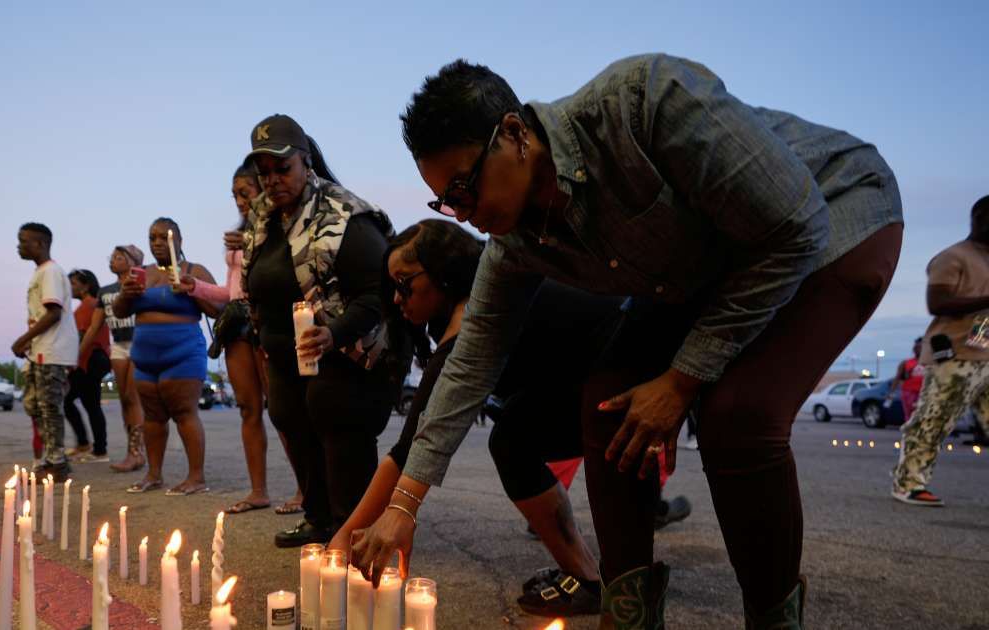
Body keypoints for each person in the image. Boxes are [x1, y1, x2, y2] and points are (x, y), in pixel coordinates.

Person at [352, 56, 903, 629]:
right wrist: (402, 509)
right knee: (609, 403)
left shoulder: (644, 105)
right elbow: (470, 364)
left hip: (832, 211)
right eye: (447, 202)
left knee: (738, 417)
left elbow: (795, 227)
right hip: (702, 268)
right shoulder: (515, 242)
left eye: (465, 188)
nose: (463, 216)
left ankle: (773, 620)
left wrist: (681, 379)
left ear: (514, 133)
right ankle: (629, 616)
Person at [331, 220, 618, 617]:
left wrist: (343, 539)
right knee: (513, 438)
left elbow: (409, 448)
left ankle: (605, 582)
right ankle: (586, 575)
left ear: (445, 273)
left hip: (619, 365)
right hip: (576, 374)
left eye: (404, 283)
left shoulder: (472, 320)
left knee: (514, 438)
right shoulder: (461, 315)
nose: (397, 298)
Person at [240, 114, 404, 547]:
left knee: (335, 418)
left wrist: (334, 333)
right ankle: (318, 518)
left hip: (348, 356)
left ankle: (354, 528)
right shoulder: (264, 216)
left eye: (283, 168)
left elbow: (378, 294)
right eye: (265, 172)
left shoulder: (344, 214)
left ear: (306, 161)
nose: (273, 180)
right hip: (287, 353)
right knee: (292, 419)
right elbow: (258, 280)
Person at [189, 161, 305, 515]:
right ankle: (259, 491)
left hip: (270, 318)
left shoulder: (284, 223)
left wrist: (254, 240)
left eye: (245, 192)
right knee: (248, 408)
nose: (239, 201)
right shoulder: (237, 235)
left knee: (283, 409)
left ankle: (306, 490)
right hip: (238, 320)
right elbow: (229, 291)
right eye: (235, 195)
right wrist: (193, 286)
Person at [111, 218, 221, 495]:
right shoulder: (141, 273)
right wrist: (125, 294)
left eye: (164, 237)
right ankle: (153, 474)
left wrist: (192, 288)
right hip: (145, 356)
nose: (158, 243)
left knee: (184, 413)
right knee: (152, 417)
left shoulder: (194, 270)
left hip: (182, 353)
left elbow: (219, 307)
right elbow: (121, 312)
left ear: (179, 240)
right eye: (153, 238)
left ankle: (196, 477)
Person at [893, 196, 989, 507]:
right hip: (954, 354)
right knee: (933, 419)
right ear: (979, 219)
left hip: (985, 350)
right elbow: (937, 303)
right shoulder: (953, 257)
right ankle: (908, 484)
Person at [12, 223, 78, 482]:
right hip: (40, 349)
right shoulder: (41, 272)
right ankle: (44, 461)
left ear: (40, 244)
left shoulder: (50, 271)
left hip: (52, 350)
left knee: (49, 407)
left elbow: (53, 312)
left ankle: (57, 463)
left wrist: (23, 338)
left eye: (23, 241)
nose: (19, 246)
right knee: (35, 406)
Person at [81, 245, 147, 472]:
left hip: (139, 342)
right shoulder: (105, 291)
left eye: (120, 257)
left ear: (133, 261)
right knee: (125, 399)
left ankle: (136, 453)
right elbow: (94, 327)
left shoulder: (140, 284)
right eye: (112, 257)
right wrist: (78, 354)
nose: (113, 260)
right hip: (118, 346)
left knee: (133, 396)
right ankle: (134, 450)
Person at [64, 269, 112, 464]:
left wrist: (71, 361)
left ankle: (96, 449)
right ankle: (91, 446)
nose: (70, 288)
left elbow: (83, 336)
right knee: (88, 404)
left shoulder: (89, 305)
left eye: (73, 284)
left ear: (86, 285)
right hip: (93, 358)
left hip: (90, 358)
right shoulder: (88, 305)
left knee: (72, 401)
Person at [889, 337, 925, 424]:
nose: (917, 349)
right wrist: (891, 393)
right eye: (916, 347)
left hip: (924, 392)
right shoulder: (906, 363)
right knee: (910, 416)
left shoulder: (930, 363)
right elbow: (897, 378)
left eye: (920, 347)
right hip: (909, 393)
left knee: (923, 415)